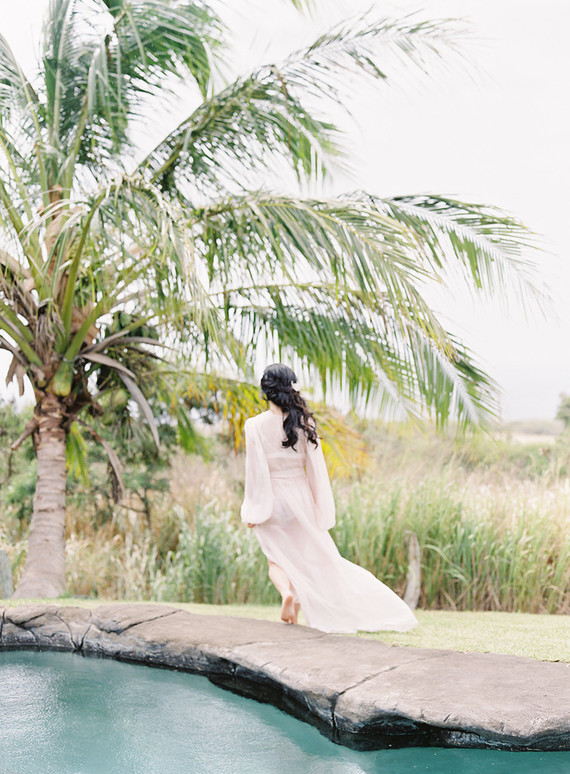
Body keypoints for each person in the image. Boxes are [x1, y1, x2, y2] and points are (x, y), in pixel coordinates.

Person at [241, 363, 418, 634]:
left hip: (271, 500)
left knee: (276, 560)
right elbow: (316, 470)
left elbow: (256, 471)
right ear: (291, 387)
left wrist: (253, 511)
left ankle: (286, 593)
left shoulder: (253, 425)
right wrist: (319, 507)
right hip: (299, 496)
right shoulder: (305, 423)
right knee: (305, 559)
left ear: (266, 390)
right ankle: (295, 612)